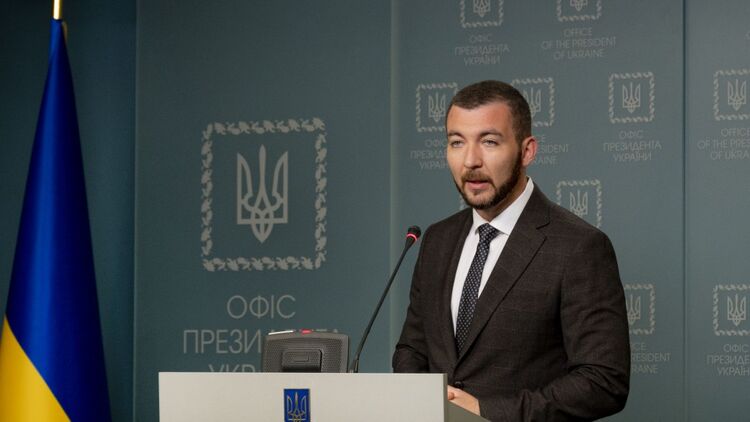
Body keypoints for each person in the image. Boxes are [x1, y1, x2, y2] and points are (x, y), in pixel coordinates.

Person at [393, 80, 630, 421]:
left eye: (489, 141)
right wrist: (425, 401)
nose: (470, 160)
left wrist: (485, 412)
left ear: (527, 150)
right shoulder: (436, 240)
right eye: (457, 142)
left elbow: (604, 381)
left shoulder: (579, 247)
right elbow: (412, 349)